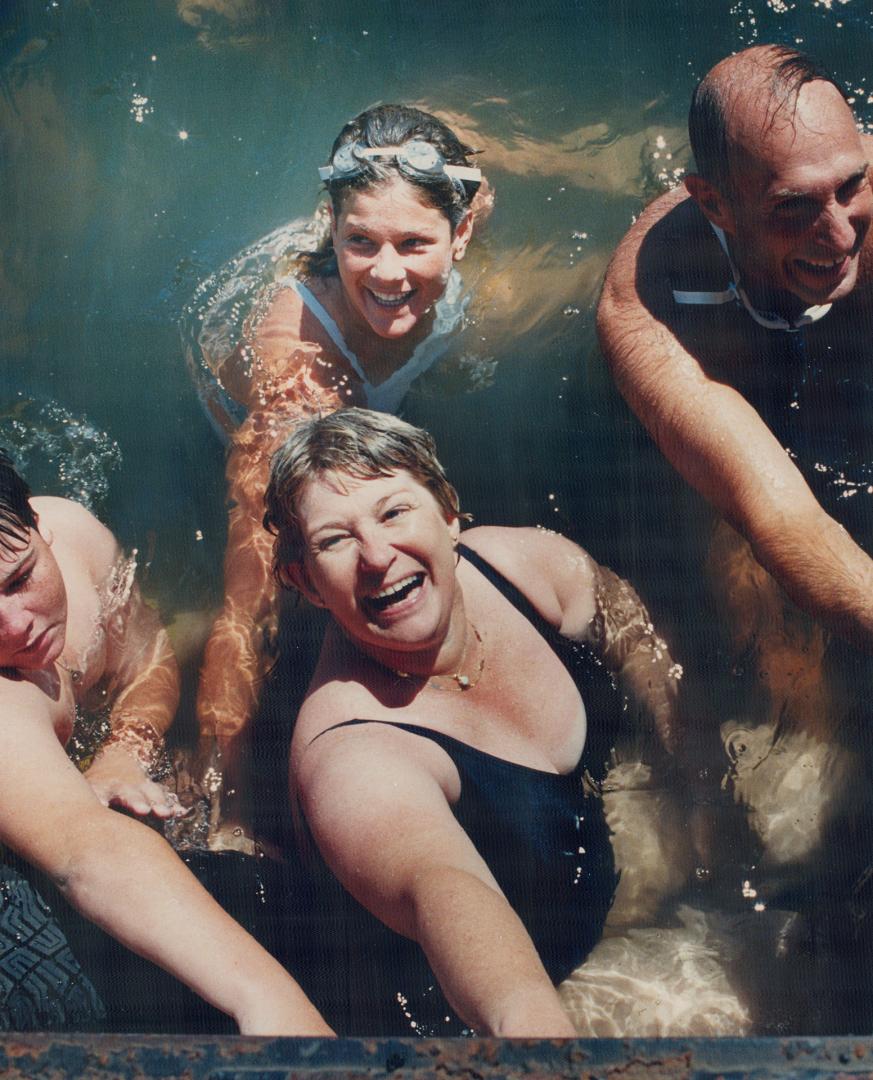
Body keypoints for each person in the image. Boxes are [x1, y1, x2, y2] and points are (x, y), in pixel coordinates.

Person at [263, 407, 683, 1036]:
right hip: (496, 1012)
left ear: (450, 513)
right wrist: (535, 1035)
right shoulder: (352, 760)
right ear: (307, 583)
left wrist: (686, 782)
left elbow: (638, 645)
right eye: (334, 540)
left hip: (617, 877)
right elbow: (446, 889)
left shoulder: (526, 566)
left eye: (394, 511)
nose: (377, 555)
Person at [192, 105, 492, 849]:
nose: (387, 273)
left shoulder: (469, 206)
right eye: (359, 242)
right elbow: (247, 598)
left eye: (413, 244)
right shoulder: (297, 380)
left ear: (461, 233)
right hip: (280, 404)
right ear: (331, 230)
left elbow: (476, 172)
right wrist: (224, 801)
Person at [0, 449, 331, 1035]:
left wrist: (123, 748)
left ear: (38, 527)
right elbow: (84, 850)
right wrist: (262, 996)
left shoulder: (74, 538)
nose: (16, 626)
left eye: (21, 579)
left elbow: (146, 655)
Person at [597, 45, 873, 728]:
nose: (838, 234)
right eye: (793, 207)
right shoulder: (645, 303)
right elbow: (779, 517)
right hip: (722, 383)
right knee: (747, 582)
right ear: (712, 202)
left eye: (849, 186)